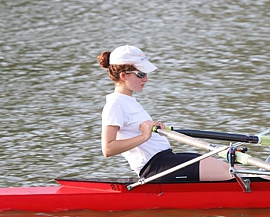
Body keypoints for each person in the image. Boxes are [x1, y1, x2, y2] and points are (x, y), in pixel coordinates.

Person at [96, 45, 232, 182]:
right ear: (123, 76)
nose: (146, 79)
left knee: (231, 169)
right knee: (230, 173)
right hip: (155, 168)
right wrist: (145, 136)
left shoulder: (129, 101)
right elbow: (108, 148)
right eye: (141, 74)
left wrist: (155, 130)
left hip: (166, 159)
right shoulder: (115, 105)